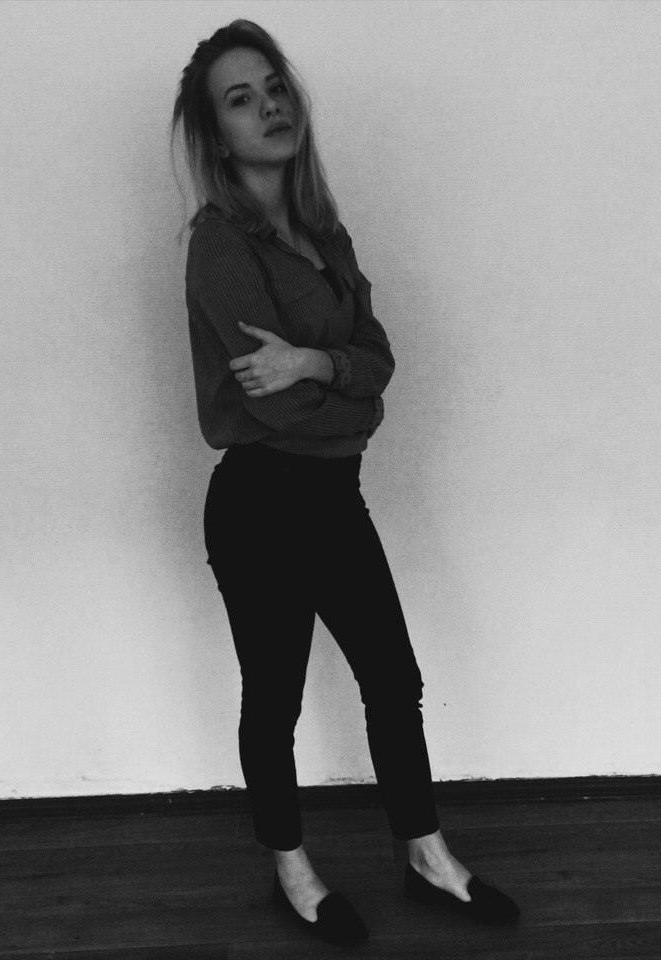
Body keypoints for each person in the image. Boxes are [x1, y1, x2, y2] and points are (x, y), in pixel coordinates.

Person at [171, 19, 520, 947]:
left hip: (333, 498)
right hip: (259, 504)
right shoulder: (219, 246)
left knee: (393, 679)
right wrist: (349, 393)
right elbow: (285, 408)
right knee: (274, 701)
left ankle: (425, 855)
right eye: (240, 99)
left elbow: (378, 359)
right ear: (217, 137)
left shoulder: (325, 234)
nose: (268, 106)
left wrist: (318, 364)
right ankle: (292, 870)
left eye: (274, 86)